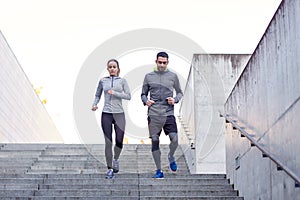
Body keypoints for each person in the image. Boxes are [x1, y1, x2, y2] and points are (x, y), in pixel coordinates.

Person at [141, 51, 183, 179]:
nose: (162, 65)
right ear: (156, 62)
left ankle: (171, 156)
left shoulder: (173, 76)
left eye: (164, 63)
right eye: (160, 62)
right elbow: (143, 94)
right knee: (155, 140)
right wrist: (145, 101)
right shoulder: (148, 76)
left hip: (168, 113)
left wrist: (174, 100)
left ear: (167, 63)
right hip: (153, 114)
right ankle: (159, 170)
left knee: (174, 140)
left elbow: (180, 93)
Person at [91, 59, 131, 179]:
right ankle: (109, 169)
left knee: (119, 140)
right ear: (107, 69)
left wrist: (115, 93)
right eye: (110, 67)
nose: (112, 69)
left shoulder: (122, 81)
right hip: (106, 114)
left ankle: (116, 159)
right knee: (108, 142)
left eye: (114, 67)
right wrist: (95, 104)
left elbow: (128, 96)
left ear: (118, 69)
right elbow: (97, 94)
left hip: (119, 114)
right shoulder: (103, 81)